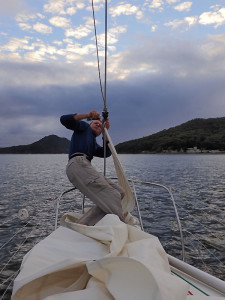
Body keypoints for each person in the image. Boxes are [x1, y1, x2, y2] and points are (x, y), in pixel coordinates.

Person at [60, 110, 125, 226]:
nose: (99, 124)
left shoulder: (93, 143)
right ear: (90, 124)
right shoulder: (83, 128)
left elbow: (106, 153)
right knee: (113, 195)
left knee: (120, 192)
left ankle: (84, 223)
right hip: (78, 163)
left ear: (100, 133)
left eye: (101, 126)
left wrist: (106, 133)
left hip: (84, 166)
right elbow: (64, 119)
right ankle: (122, 227)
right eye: (96, 123)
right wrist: (88, 116)